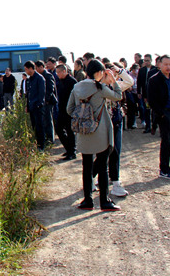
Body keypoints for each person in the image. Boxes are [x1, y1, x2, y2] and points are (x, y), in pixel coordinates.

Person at [67, 59, 122, 211]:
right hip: (101, 131)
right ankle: (104, 201)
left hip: (84, 131)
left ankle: (87, 201)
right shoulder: (100, 88)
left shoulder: (76, 87)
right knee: (102, 167)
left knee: (86, 166)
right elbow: (118, 96)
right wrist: (113, 81)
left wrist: (83, 116)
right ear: (98, 73)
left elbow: (69, 109)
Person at [104, 62, 134, 196]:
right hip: (104, 123)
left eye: (113, 72)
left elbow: (130, 81)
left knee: (116, 151)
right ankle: (95, 177)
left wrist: (119, 70)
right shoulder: (102, 87)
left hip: (117, 121)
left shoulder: (118, 86)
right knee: (103, 153)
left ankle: (115, 182)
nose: (112, 74)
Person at [55, 64, 77, 160]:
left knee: (70, 131)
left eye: (58, 72)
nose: (57, 74)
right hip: (61, 109)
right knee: (59, 130)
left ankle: (72, 152)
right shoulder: (59, 81)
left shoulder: (72, 82)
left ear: (64, 71)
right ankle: (68, 149)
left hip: (70, 111)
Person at [24, 61, 47, 150]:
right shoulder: (29, 80)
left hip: (38, 107)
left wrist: (39, 105)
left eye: (26, 69)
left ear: (31, 68)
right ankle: (36, 144)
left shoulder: (40, 78)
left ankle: (42, 146)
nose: (25, 71)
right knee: (34, 127)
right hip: (31, 107)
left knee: (39, 127)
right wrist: (27, 106)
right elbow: (28, 94)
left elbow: (42, 94)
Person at [35, 60, 57, 145]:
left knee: (48, 120)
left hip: (48, 102)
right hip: (43, 102)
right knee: (44, 120)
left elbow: (50, 89)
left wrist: (46, 100)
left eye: (36, 68)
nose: (36, 69)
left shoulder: (47, 75)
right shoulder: (39, 76)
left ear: (41, 67)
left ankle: (51, 139)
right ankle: (47, 137)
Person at [137, 54, 153, 133]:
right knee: (147, 110)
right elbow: (139, 82)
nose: (146, 62)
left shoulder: (155, 69)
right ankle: (148, 127)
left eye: (148, 60)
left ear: (151, 60)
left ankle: (154, 126)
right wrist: (139, 92)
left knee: (154, 112)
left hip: (155, 94)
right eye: (145, 60)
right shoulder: (142, 70)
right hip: (146, 94)